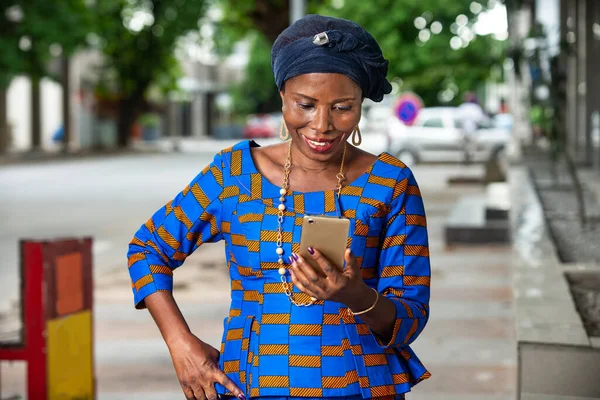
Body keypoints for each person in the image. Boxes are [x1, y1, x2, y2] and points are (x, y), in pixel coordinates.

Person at [127, 14, 431, 400]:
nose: (321, 124)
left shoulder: (391, 182)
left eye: (342, 107)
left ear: (359, 106)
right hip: (252, 385)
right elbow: (148, 248)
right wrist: (179, 343)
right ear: (282, 97)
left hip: (364, 388)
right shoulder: (233, 174)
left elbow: (411, 318)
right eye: (305, 105)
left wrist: (356, 296)